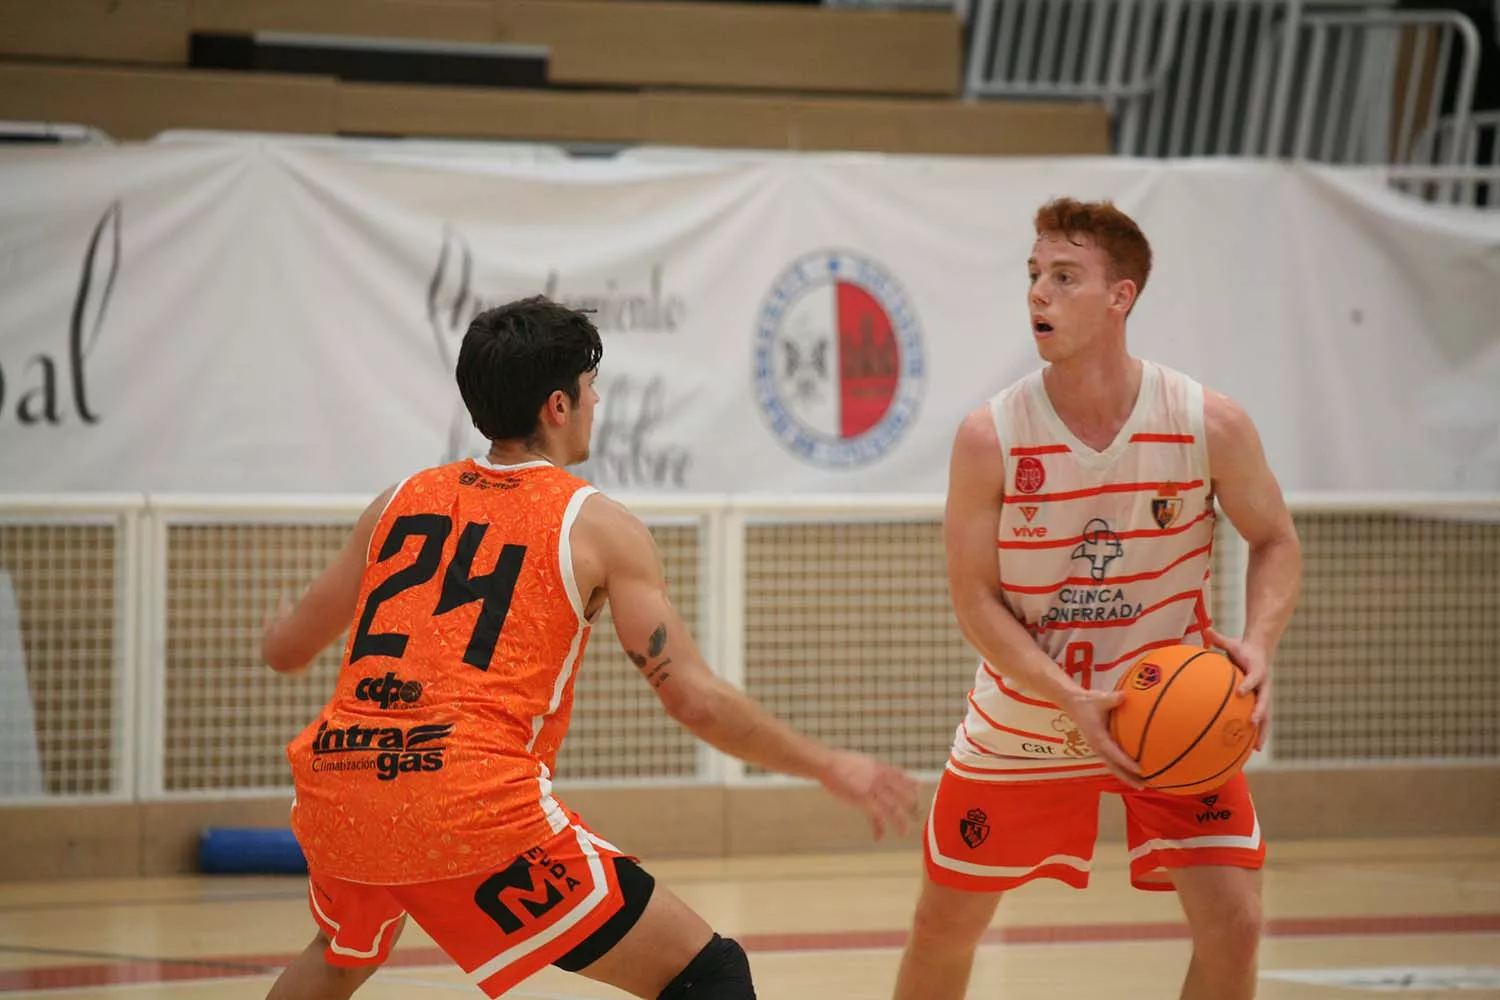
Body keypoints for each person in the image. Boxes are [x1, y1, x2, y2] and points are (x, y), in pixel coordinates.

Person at [259, 295, 921, 1000]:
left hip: (339, 787)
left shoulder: (398, 500)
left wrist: (277, 627)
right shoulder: (595, 523)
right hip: (470, 803)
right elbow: (693, 700)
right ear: (558, 406)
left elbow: (288, 649)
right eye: (590, 386)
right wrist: (827, 763)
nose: (597, 399)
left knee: (340, 954)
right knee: (707, 973)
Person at [892, 198, 1303, 1000]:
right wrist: (1070, 695)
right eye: (1034, 275)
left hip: (1173, 711)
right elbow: (975, 601)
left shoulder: (1206, 421)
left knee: (1238, 922)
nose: (1038, 294)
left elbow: (1276, 539)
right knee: (943, 926)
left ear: (1121, 297)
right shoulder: (991, 436)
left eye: (1065, 277)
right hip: (1029, 718)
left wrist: (1259, 642)